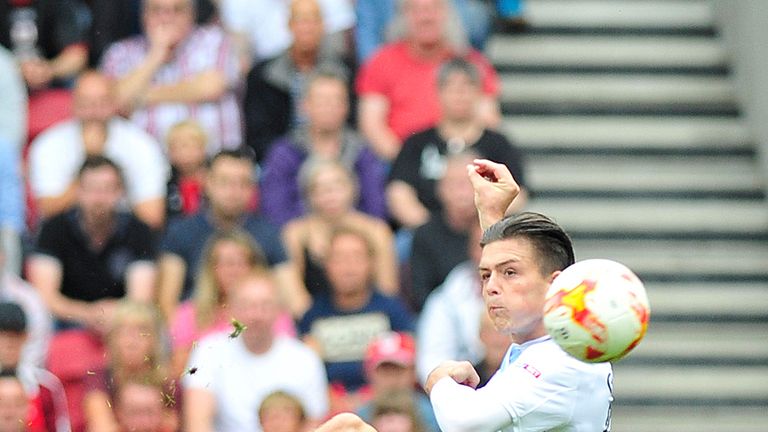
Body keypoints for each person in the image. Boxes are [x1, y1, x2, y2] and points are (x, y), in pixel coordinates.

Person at [424, 159, 613, 431]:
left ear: (555, 285)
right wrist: (491, 212)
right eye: (486, 275)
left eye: (510, 273)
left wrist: (439, 380)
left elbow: (463, 422)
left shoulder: (562, 364)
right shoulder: (542, 345)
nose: (490, 287)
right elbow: (509, 255)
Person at [158, 149, 307, 321]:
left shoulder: (269, 233)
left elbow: (295, 299)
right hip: (198, 329)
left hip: (256, 328)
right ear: (208, 182)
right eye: (225, 182)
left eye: (243, 183)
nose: (234, 191)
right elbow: (166, 305)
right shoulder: (181, 232)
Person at [387, 58, 527, 230]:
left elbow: (518, 193)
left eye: (467, 87)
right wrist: (432, 229)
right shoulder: (416, 143)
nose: (459, 94)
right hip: (427, 232)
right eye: (451, 87)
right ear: (438, 92)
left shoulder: (498, 144)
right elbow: (399, 191)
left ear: (480, 93)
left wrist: (487, 219)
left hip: (488, 230)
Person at [183, 270, 329, 432]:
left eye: (265, 305)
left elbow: (314, 425)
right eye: (246, 305)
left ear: (279, 310)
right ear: (231, 310)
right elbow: (198, 424)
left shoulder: (304, 358)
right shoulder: (208, 351)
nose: (256, 315)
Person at [355, 0, 500, 161]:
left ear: (447, 14)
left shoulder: (472, 63)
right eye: (417, 10)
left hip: (462, 163)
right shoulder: (381, 62)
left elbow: (488, 120)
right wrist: (409, 167)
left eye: (433, 9)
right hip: (399, 161)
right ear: (403, 16)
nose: (426, 17)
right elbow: (372, 125)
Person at [27, 156, 157, 331]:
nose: (99, 198)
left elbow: (141, 298)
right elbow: (45, 297)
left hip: (121, 323)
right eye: (92, 188)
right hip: (65, 323)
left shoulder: (138, 230)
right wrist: (88, 314)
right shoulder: (54, 228)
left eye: (107, 189)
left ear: (121, 192)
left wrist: (112, 314)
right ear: (78, 190)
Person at [28, 70, 168, 229]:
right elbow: (48, 212)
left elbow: (152, 218)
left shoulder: (141, 144)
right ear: (73, 105)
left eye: (102, 102)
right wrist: (92, 160)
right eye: (86, 104)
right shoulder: (49, 145)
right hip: (67, 236)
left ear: (115, 103)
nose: (94, 111)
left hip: (123, 236)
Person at [101, 0, 243, 153]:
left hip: (213, 163)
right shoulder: (120, 52)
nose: (166, 18)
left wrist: (141, 96)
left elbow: (212, 87)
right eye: (157, 10)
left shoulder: (215, 40)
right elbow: (114, 101)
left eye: (177, 10)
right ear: (143, 15)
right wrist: (156, 54)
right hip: (149, 165)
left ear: (192, 14)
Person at [298, 227, 414, 409]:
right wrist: (334, 400)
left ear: (371, 263)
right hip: (327, 406)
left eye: (356, 258)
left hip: (383, 405)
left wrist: (368, 401)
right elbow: (303, 372)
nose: (348, 267)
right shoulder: (313, 316)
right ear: (326, 265)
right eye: (339, 259)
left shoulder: (391, 310)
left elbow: (408, 366)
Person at [259, 70, 386, 227]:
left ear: (346, 106)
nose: (329, 108)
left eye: (336, 100)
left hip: (355, 236)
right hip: (301, 237)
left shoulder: (361, 151)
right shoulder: (285, 152)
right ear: (304, 106)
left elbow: (375, 209)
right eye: (322, 101)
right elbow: (276, 210)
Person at [169, 229, 296, 377]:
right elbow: (180, 370)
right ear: (211, 268)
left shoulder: (274, 312)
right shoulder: (188, 314)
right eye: (228, 263)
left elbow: (287, 360)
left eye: (243, 263)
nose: (235, 271)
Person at [243, 0, 356, 162]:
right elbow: (259, 134)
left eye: (313, 20)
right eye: (301, 20)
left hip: (338, 157)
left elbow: (353, 124)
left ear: (323, 25)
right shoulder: (264, 75)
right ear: (289, 25)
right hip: (283, 160)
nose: (307, 27)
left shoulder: (345, 70)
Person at [282, 159, 397, 297]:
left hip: (370, 314)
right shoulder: (294, 234)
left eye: (337, 186)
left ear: (353, 188)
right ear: (308, 195)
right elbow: (293, 296)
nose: (330, 195)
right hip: (315, 315)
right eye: (320, 188)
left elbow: (388, 289)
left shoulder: (377, 231)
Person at [83, 301, 176, 432]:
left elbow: (173, 426)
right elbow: (101, 427)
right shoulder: (99, 378)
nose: (132, 340)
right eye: (124, 331)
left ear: (154, 339)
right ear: (112, 338)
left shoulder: (169, 383)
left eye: (141, 331)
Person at [406, 153, 480, 311]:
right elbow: (422, 294)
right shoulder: (425, 235)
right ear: (439, 189)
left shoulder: (503, 229)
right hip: (443, 316)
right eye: (453, 184)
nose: (462, 193)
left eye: (468, 183)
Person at [415, 224, 485, 383]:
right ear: (470, 250)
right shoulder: (444, 300)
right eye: (482, 247)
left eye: (497, 248)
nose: (489, 255)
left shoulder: (531, 296)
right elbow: (430, 363)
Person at [0, 302, 70, 432]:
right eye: (3, 336)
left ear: (26, 337)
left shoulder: (46, 386)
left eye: (15, 336)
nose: (9, 343)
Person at [357, 332, 438, 432]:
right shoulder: (361, 417)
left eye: (398, 371)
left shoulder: (433, 414)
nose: (392, 379)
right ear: (369, 373)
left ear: (413, 372)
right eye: (385, 372)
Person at [0, 249, 52, 369]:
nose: (8, 343)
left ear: (2, 256)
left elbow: (36, 349)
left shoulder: (28, 298)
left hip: (22, 375)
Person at [164, 120, 208, 222]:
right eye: (175, 148)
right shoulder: (165, 182)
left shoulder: (215, 179)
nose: (184, 153)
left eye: (188, 146)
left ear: (203, 148)